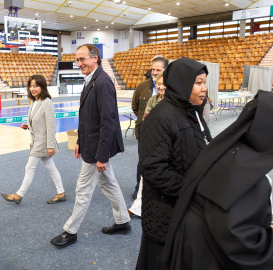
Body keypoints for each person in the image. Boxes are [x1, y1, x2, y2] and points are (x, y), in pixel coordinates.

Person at [162, 91, 273, 269]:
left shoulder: (226, 155)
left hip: (192, 246)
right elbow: (235, 239)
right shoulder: (250, 179)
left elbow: (221, 216)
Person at [50, 44, 130, 247]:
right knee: (108, 183)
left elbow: (108, 120)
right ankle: (123, 221)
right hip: (91, 143)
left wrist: (102, 156)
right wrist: (79, 140)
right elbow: (87, 117)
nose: (79, 63)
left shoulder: (102, 82)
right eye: (77, 60)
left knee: (83, 189)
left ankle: (71, 230)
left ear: (96, 58)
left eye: (82, 59)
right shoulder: (90, 81)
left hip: (97, 148)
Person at [136, 57, 211, 270]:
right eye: (198, 83)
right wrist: (192, 190)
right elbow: (153, 168)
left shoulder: (191, 113)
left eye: (204, 82)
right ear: (181, 82)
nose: (204, 88)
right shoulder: (160, 118)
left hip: (185, 210)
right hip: (165, 213)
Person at [1, 75, 65, 204]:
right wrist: (28, 126)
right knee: (51, 168)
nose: (32, 88)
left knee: (29, 168)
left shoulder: (47, 102)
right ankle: (61, 192)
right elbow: (37, 121)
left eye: (36, 86)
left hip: (43, 143)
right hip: (37, 141)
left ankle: (19, 195)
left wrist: (51, 145)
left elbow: (51, 126)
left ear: (42, 87)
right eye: (31, 86)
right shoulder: (34, 102)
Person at [131, 56, 169, 200]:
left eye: (158, 69)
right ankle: (138, 189)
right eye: (153, 69)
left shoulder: (172, 90)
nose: (154, 72)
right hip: (144, 132)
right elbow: (135, 106)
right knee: (142, 162)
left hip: (163, 135)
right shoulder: (142, 87)